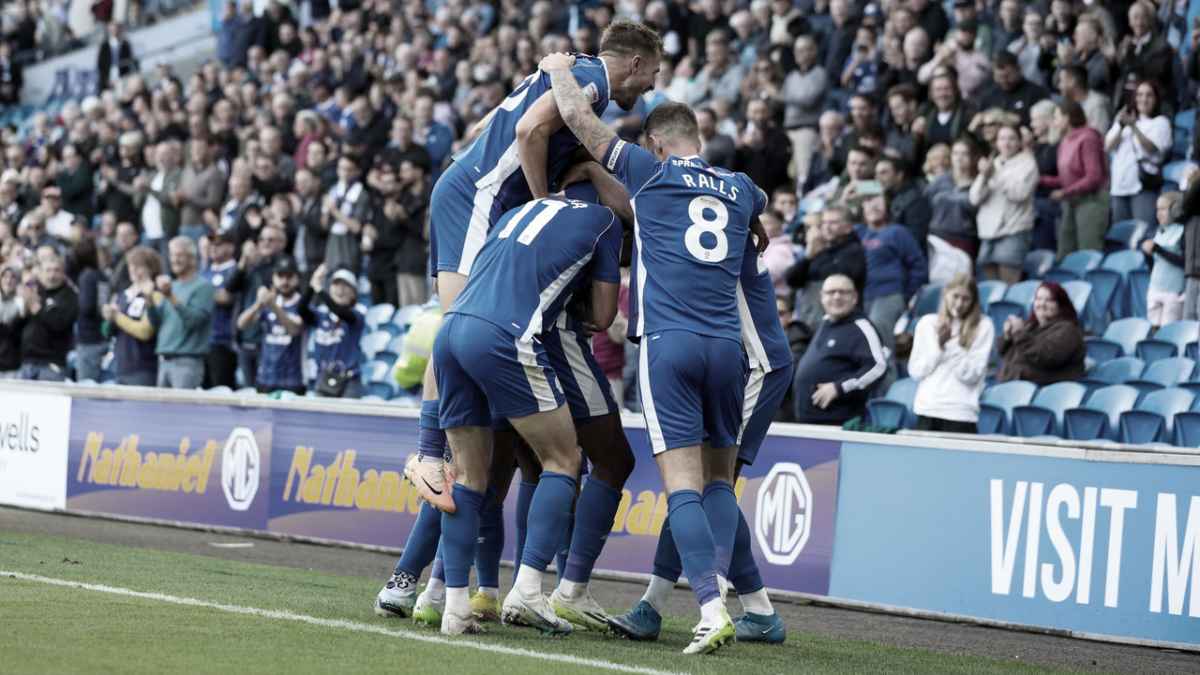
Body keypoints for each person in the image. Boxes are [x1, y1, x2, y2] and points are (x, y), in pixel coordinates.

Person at [549, 41, 773, 650]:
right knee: (720, 484)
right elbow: (763, 220)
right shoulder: (741, 185)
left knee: (681, 487)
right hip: (728, 350)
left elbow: (578, 121)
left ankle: (708, 605)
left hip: (670, 346)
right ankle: (733, 597)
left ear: (654, 144)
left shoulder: (649, 171)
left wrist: (558, 70)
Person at [406, 21, 662, 514]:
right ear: (634, 63)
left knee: (463, 322)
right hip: (480, 197)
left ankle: (439, 452)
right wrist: (542, 201)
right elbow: (527, 130)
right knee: (460, 322)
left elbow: (491, 127)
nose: (651, 84)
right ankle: (427, 453)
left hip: (470, 190)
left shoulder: (570, 73)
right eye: (652, 72)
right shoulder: (591, 83)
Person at [421, 189, 623, 638]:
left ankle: (454, 606)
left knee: (470, 477)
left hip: (451, 329)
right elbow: (605, 317)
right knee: (564, 460)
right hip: (506, 335)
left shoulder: (518, 208)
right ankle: (529, 587)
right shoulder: (607, 220)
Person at [609, 228, 795, 646]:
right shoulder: (716, 219)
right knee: (706, 485)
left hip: (758, 365)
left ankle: (697, 603)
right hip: (744, 359)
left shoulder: (692, 231)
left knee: (704, 485)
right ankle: (761, 612)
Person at [792, 273, 888, 424]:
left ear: (854, 297)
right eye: (831, 292)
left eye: (843, 292)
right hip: (808, 421)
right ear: (822, 297)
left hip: (838, 426)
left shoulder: (862, 327)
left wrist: (839, 388)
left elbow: (878, 367)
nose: (837, 297)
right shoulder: (825, 323)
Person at [906, 274, 993, 432]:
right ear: (946, 293)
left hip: (961, 413)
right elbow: (916, 371)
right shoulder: (927, 323)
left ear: (973, 301)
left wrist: (950, 345)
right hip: (927, 409)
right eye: (955, 296)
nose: (959, 304)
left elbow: (972, 375)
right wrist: (938, 347)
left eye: (966, 299)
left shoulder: (984, 326)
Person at [858, 193, 928, 353]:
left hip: (889, 294)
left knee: (876, 334)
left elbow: (919, 266)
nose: (873, 206)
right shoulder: (857, 232)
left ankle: (888, 374)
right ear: (862, 207)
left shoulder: (898, 232)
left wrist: (905, 295)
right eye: (868, 201)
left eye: (878, 201)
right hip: (860, 297)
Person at [971, 123, 1039, 284]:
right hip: (988, 232)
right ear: (996, 142)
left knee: (1008, 285)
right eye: (1002, 139)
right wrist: (984, 177)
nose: (1006, 143)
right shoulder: (992, 163)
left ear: (1020, 142)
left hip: (1013, 230)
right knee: (989, 287)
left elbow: (1019, 194)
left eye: (1012, 139)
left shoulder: (1028, 163)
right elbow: (974, 198)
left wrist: (994, 175)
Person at [1039, 100, 1108, 259]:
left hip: (1091, 202)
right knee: (1065, 253)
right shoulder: (1065, 141)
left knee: (1088, 252)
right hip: (1071, 202)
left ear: (1067, 118)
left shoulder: (1088, 137)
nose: (1053, 122)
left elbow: (1094, 177)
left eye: (1056, 117)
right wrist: (1040, 180)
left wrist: (1065, 192)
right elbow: (1067, 179)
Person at [785, 206, 867, 334]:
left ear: (848, 227)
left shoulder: (854, 250)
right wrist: (808, 256)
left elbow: (837, 275)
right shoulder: (817, 251)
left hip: (842, 322)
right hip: (810, 322)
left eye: (833, 223)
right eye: (824, 223)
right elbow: (791, 280)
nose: (827, 227)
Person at [150, 236, 214, 389]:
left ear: (192, 259)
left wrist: (170, 296)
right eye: (172, 255)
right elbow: (157, 323)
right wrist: (149, 301)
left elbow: (194, 321)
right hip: (163, 360)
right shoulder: (172, 285)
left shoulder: (203, 287)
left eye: (179, 255)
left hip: (187, 362)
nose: (174, 260)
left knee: (182, 412)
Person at [236, 256, 307, 395]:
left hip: (293, 380)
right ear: (273, 278)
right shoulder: (268, 303)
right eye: (280, 276)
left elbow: (294, 329)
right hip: (266, 377)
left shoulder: (303, 304)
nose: (285, 281)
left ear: (297, 278)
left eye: (289, 276)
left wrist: (273, 305)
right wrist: (258, 304)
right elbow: (241, 324)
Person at [1105, 80, 1171, 227]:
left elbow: (1152, 149)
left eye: (1149, 95)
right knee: (1120, 238)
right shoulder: (1123, 121)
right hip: (1119, 187)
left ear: (1156, 99)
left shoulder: (1161, 122)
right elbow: (1108, 147)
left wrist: (1133, 126)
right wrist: (1122, 126)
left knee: (1143, 232)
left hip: (1142, 187)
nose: (1143, 99)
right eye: (1140, 95)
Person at [997, 281, 1086, 385]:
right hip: (1013, 385)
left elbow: (1047, 357)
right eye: (1038, 299)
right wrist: (1007, 337)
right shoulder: (1030, 326)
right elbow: (1005, 354)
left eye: (1049, 300)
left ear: (1061, 305)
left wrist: (1019, 333)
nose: (1042, 304)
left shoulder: (1068, 330)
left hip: (1045, 390)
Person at [102, 246, 161, 386]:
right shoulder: (123, 295)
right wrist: (108, 319)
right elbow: (106, 333)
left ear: (151, 268)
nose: (133, 270)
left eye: (139, 266)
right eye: (131, 266)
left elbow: (145, 332)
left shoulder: (155, 294)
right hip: (120, 365)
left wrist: (117, 317)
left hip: (143, 367)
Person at [306, 264, 366, 398]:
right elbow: (302, 310)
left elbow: (339, 312)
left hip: (349, 381)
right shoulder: (321, 315)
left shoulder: (357, 314)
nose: (340, 290)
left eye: (345, 286)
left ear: (354, 293)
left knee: (348, 418)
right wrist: (312, 285)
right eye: (336, 285)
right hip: (323, 377)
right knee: (319, 418)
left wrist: (319, 290)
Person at [17, 251, 78, 381]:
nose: (52, 275)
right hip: (26, 363)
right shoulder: (33, 291)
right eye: (48, 270)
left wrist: (38, 309)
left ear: (63, 273)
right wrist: (24, 309)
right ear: (40, 273)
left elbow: (60, 324)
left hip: (51, 365)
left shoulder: (70, 296)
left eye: (56, 270)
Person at [926, 138, 978, 259]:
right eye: (955, 153)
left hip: (964, 238)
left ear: (973, 157)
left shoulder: (978, 183)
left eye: (964, 154)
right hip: (936, 236)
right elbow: (926, 205)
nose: (959, 158)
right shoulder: (939, 180)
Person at [202, 231, 239, 388]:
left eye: (219, 244)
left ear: (231, 247)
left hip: (223, 340)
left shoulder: (234, 270)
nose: (213, 248)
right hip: (203, 341)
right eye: (212, 244)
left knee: (221, 389)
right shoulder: (206, 270)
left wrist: (199, 293)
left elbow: (227, 297)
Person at [1142, 192, 1185, 327]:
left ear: (1176, 210)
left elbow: (1184, 262)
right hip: (1155, 288)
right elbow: (1153, 263)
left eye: (1163, 209)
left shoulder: (1183, 231)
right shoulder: (1157, 231)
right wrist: (1147, 253)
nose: (1158, 213)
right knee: (1154, 330)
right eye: (1157, 209)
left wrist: (1158, 250)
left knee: (1169, 333)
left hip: (1173, 292)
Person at [73, 236, 108, 382]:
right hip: (100, 336)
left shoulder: (87, 276)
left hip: (88, 340)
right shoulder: (101, 276)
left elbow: (86, 307)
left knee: (86, 388)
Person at [0, 266, 20, 377]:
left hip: (13, 364)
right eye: (5, 276)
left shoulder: (21, 302)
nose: (8, 280)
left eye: (12, 277)